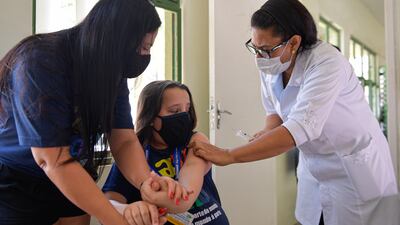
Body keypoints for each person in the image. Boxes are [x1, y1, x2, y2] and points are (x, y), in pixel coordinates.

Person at [189, 0, 399, 225]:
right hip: (314, 167)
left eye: (267, 50)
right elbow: (275, 112)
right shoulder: (273, 63)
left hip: (353, 170)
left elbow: (299, 128)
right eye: (255, 48)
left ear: (294, 42)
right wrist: (268, 131)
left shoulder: (327, 63)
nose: (259, 58)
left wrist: (229, 155)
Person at [0, 0, 189, 225]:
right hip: (16, 179)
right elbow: (52, 160)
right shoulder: (40, 60)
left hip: (71, 169)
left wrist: (145, 181)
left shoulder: (111, 71)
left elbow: (123, 140)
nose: (144, 54)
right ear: (118, 38)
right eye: (144, 46)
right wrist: (114, 219)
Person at [102, 80, 230, 225]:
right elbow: (107, 204)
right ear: (150, 118)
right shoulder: (133, 158)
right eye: (174, 111)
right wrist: (128, 210)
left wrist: (169, 195)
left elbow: (185, 196)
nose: (183, 117)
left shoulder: (196, 141)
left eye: (187, 110)